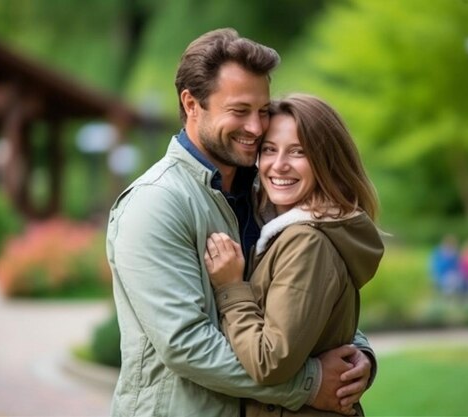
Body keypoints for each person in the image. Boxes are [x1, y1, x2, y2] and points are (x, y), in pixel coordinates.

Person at [106, 28, 376, 417]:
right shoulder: (156, 203)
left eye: (263, 110)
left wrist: (357, 357)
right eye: (239, 111)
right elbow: (187, 345)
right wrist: (310, 383)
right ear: (192, 104)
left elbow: (303, 296)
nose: (255, 127)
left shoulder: (267, 193)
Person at [203, 94, 384, 416]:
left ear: (327, 161)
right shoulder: (283, 229)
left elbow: (269, 361)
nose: (279, 164)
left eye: (298, 152)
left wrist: (230, 288)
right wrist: (363, 353)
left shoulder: (306, 242)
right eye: (270, 149)